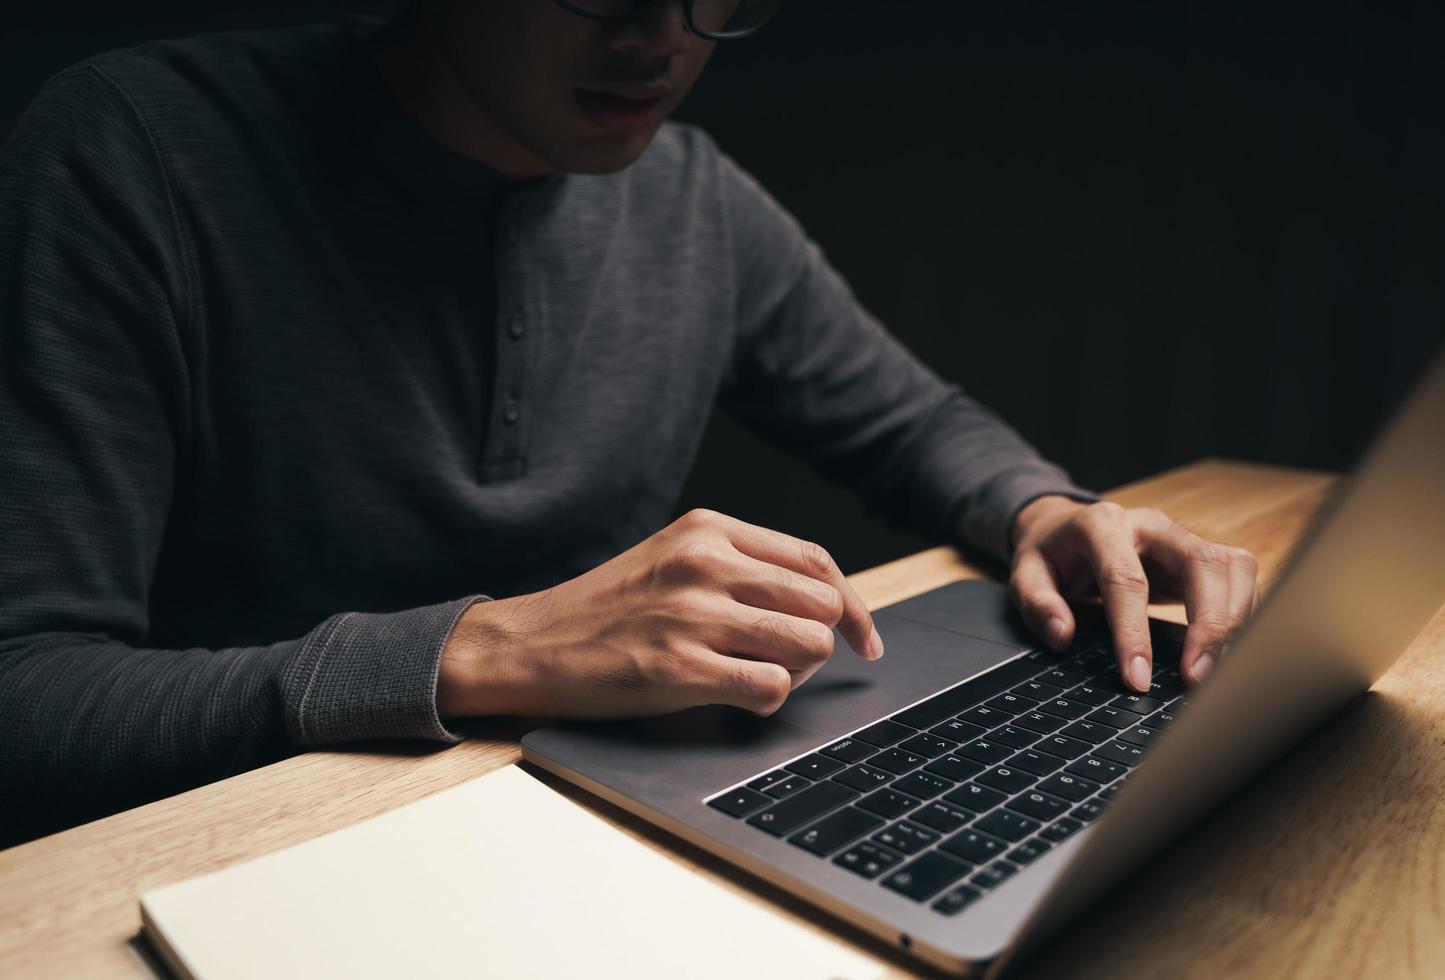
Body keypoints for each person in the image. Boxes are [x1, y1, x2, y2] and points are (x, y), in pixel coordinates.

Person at [0, 0, 1259, 844]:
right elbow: (27, 694)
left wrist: (1048, 508)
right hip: (229, 851)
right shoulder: (136, 154)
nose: (665, 36)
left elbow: (915, 422)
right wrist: (473, 651)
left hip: (580, 823)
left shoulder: (692, 199)